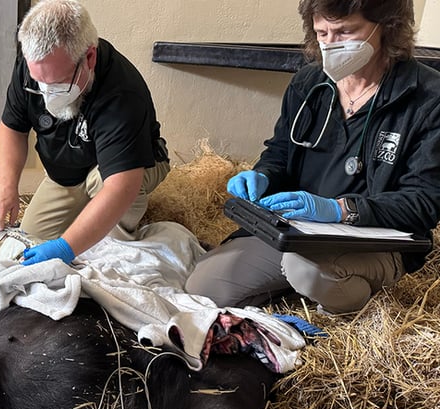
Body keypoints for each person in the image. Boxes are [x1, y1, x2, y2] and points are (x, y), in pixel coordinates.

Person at [185, 0, 440, 315]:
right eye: (322, 32)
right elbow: (280, 151)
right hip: (297, 231)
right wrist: (263, 175)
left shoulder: (429, 98)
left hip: (374, 241)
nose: (331, 44)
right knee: (203, 288)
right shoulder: (309, 83)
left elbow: (423, 204)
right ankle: (304, 291)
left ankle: (346, 305)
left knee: (305, 270)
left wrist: (339, 210)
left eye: (345, 31)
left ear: (387, 27)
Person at [0, 0, 171, 266]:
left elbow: (121, 185)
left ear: (89, 57)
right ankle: (83, 212)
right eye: (39, 82)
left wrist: (66, 247)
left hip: (125, 170)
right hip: (69, 168)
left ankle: (118, 232)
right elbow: (12, 127)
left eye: (58, 82)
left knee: (104, 242)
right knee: (29, 239)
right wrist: (6, 184)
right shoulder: (33, 66)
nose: (47, 93)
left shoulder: (123, 94)